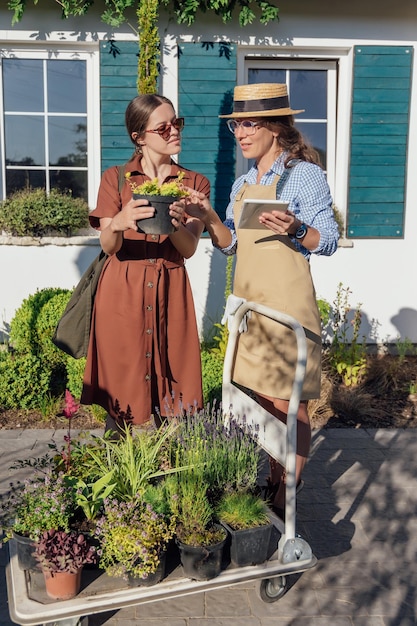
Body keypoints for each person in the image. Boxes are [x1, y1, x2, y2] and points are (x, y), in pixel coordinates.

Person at [184, 83, 339, 515]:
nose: (240, 132)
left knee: (291, 403)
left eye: (250, 123)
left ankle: (288, 490)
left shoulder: (303, 174)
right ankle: (273, 478)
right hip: (251, 307)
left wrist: (294, 229)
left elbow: (327, 239)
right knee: (260, 401)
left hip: (288, 307)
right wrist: (210, 217)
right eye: (236, 124)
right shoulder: (242, 184)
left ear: (276, 126)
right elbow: (231, 244)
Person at [81, 94, 210, 433]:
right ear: (139, 137)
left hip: (171, 291)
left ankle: (172, 478)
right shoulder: (116, 179)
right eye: (163, 127)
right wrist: (120, 221)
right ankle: (121, 478)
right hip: (122, 292)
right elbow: (109, 246)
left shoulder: (194, 183)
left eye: (176, 124)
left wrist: (176, 223)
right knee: (122, 399)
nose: (173, 132)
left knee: (174, 398)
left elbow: (189, 248)